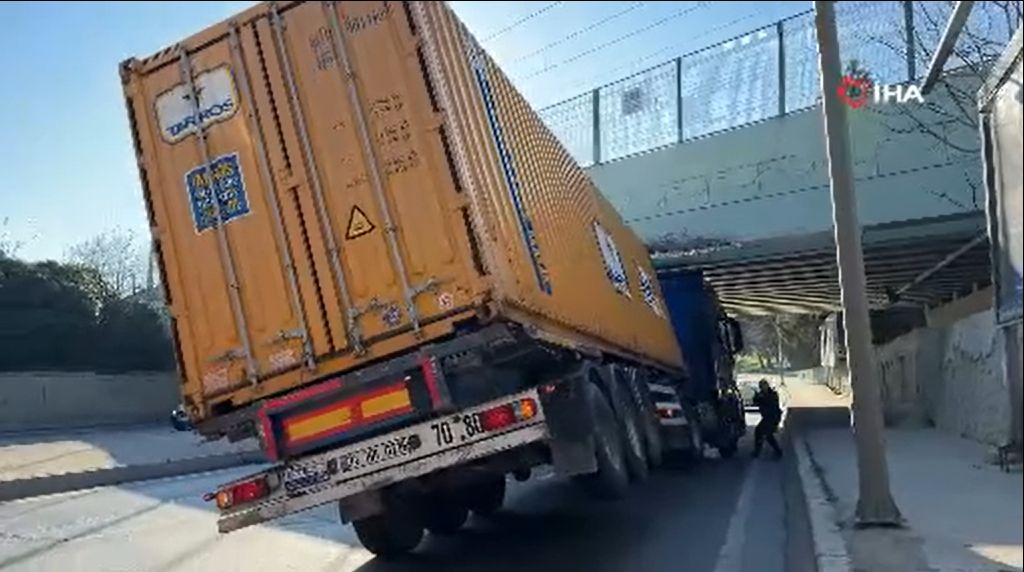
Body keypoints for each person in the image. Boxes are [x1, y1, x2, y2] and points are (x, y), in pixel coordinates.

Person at [752, 379, 783, 459]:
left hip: (773, 417)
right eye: (760, 386)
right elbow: (756, 402)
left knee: (762, 432)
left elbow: (769, 402)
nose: (762, 388)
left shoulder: (772, 394)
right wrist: (756, 396)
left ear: (766, 386)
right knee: (766, 434)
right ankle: (777, 451)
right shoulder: (762, 394)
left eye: (763, 386)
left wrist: (760, 398)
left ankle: (758, 452)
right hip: (767, 417)